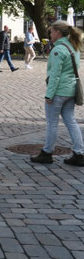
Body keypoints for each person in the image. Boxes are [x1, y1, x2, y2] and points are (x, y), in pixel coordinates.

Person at [31, 21, 84, 167]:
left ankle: (47, 153)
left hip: (59, 92)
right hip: (71, 90)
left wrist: (49, 95)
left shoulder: (58, 50)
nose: (49, 34)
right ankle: (79, 153)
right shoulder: (74, 47)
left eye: (51, 32)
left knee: (52, 123)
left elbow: (55, 75)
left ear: (58, 33)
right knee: (71, 121)